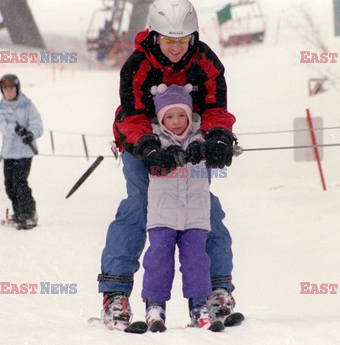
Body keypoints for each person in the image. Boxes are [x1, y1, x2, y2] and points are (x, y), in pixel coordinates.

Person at [98, 0, 239, 330]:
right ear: (154, 35)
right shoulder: (137, 65)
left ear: (193, 36)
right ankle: (115, 293)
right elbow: (132, 115)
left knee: (205, 211)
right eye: (168, 41)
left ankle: (217, 290)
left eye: (182, 40)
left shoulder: (205, 62)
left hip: (189, 145)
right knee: (138, 208)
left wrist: (219, 137)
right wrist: (147, 148)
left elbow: (217, 108)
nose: (175, 48)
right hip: (143, 146)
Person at [142, 84, 223, 332]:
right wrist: (166, 157)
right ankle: (155, 307)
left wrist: (211, 150)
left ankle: (199, 306)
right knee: (158, 261)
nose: (176, 122)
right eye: (169, 116)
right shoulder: (154, 142)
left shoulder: (201, 139)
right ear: (160, 118)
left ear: (189, 115)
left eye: (181, 115)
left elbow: (218, 158)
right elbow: (151, 165)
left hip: (195, 215)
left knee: (197, 261)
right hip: (162, 215)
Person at [0, 74, 43, 230]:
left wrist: (30, 133)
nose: (9, 92)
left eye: (11, 88)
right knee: (9, 185)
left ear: (17, 89)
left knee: (19, 182)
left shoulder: (27, 105)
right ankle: (18, 212)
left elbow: (37, 125)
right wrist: (15, 129)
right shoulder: (1, 108)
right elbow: (2, 126)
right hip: (9, 153)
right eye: (5, 89)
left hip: (24, 153)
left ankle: (29, 214)